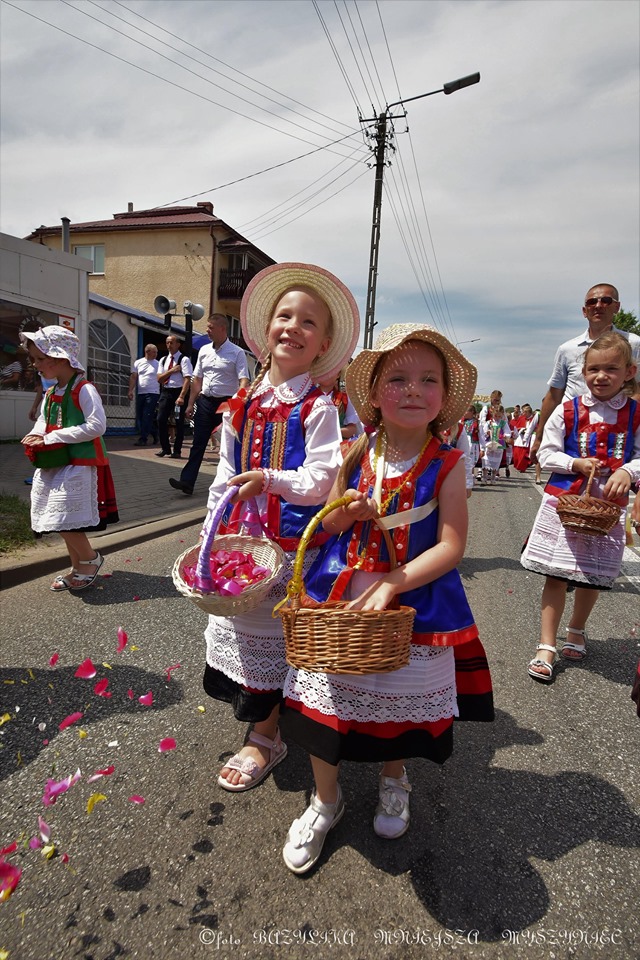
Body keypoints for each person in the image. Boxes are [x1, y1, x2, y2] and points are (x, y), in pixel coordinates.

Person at [279, 324, 494, 875]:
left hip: (410, 602)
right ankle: (325, 799)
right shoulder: (355, 451)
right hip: (344, 598)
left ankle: (393, 777)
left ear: (443, 396)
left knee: (395, 699)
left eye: (428, 380)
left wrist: (395, 582)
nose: (413, 389)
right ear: (374, 394)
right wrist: (345, 511)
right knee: (327, 702)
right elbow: (327, 524)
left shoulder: (448, 463)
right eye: (397, 379)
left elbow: (452, 545)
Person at [200, 263, 359, 793]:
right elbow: (224, 473)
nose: (293, 327)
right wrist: (209, 530)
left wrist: (269, 479)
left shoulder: (318, 407)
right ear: (266, 329)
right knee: (249, 638)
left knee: (283, 637)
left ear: (323, 346)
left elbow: (321, 479)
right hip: (243, 545)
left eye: (308, 322)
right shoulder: (240, 404)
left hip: (292, 547)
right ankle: (266, 728)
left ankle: (267, 735)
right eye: (284, 316)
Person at [522, 332, 640, 683]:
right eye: (593, 369)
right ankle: (546, 644)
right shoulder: (568, 409)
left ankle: (576, 628)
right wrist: (574, 463)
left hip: (606, 507)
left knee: (590, 576)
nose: (601, 376)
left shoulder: (636, 414)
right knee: (556, 574)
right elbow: (546, 453)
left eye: (611, 369)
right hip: (565, 503)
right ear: (583, 372)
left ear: (629, 371)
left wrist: (627, 471)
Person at [19, 326, 119, 592]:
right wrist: (36, 434)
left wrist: (52, 437)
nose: (35, 364)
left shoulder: (84, 389)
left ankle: (90, 560)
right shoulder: (52, 392)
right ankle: (78, 566)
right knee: (59, 519)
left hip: (80, 464)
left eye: (40, 359)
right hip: (55, 463)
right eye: (34, 359)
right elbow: (43, 420)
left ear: (60, 357)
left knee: (64, 519)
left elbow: (97, 426)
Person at [531, 283, 640, 462]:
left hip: (616, 433)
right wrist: (539, 436)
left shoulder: (634, 344)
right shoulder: (567, 349)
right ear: (584, 311)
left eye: (606, 300)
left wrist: (630, 425)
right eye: (592, 302)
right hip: (574, 431)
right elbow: (554, 394)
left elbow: (637, 390)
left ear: (617, 307)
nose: (598, 305)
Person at [169, 315, 250, 495]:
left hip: (227, 404)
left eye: (211, 327)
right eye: (207, 327)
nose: (207, 331)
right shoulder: (204, 351)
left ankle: (235, 483)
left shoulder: (237, 352)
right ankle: (187, 482)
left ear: (222, 329)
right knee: (198, 442)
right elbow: (197, 379)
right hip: (205, 402)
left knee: (229, 445)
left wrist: (238, 404)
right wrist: (190, 404)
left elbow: (244, 380)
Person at [155, 335, 193, 459]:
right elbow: (159, 379)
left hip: (178, 392)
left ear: (178, 344)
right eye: (167, 343)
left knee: (178, 421)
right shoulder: (163, 360)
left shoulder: (184, 359)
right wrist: (172, 371)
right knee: (160, 419)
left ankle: (177, 450)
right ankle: (165, 448)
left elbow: (187, 379)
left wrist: (182, 396)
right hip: (166, 392)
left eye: (171, 342)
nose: (169, 345)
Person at [128, 343, 160, 446]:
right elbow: (134, 377)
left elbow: (162, 377)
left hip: (153, 393)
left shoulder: (158, 364)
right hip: (141, 393)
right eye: (154, 352)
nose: (156, 354)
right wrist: (130, 390)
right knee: (140, 416)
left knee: (147, 415)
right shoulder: (138, 362)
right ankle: (154, 433)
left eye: (156, 352)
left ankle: (143, 438)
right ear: (147, 352)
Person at [480, 403, 511, 484]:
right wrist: (487, 433)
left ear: (502, 415)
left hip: (499, 445)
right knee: (486, 460)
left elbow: (507, 432)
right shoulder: (489, 423)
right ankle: (484, 478)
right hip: (489, 444)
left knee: (496, 462)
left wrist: (505, 436)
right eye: (495, 416)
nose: (497, 418)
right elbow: (483, 432)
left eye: (499, 416)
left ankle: (493, 478)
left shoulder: (503, 423)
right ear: (492, 414)